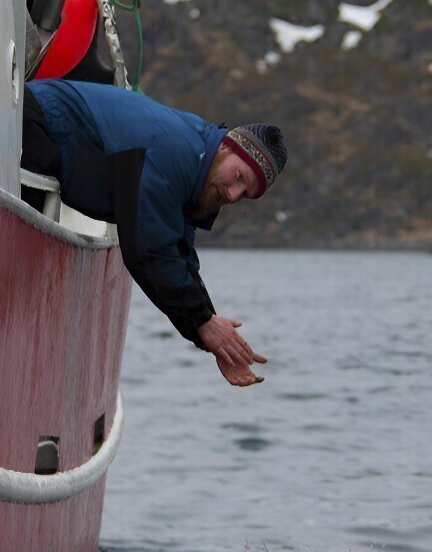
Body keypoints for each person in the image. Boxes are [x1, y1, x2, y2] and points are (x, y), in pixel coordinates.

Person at [22, 78, 289, 387]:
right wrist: (203, 324)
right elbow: (149, 250)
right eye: (239, 177)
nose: (233, 194)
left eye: (245, 193)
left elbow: (179, 254)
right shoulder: (175, 152)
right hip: (37, 119)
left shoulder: (198, 162)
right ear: (227, 146)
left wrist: (212, 332)